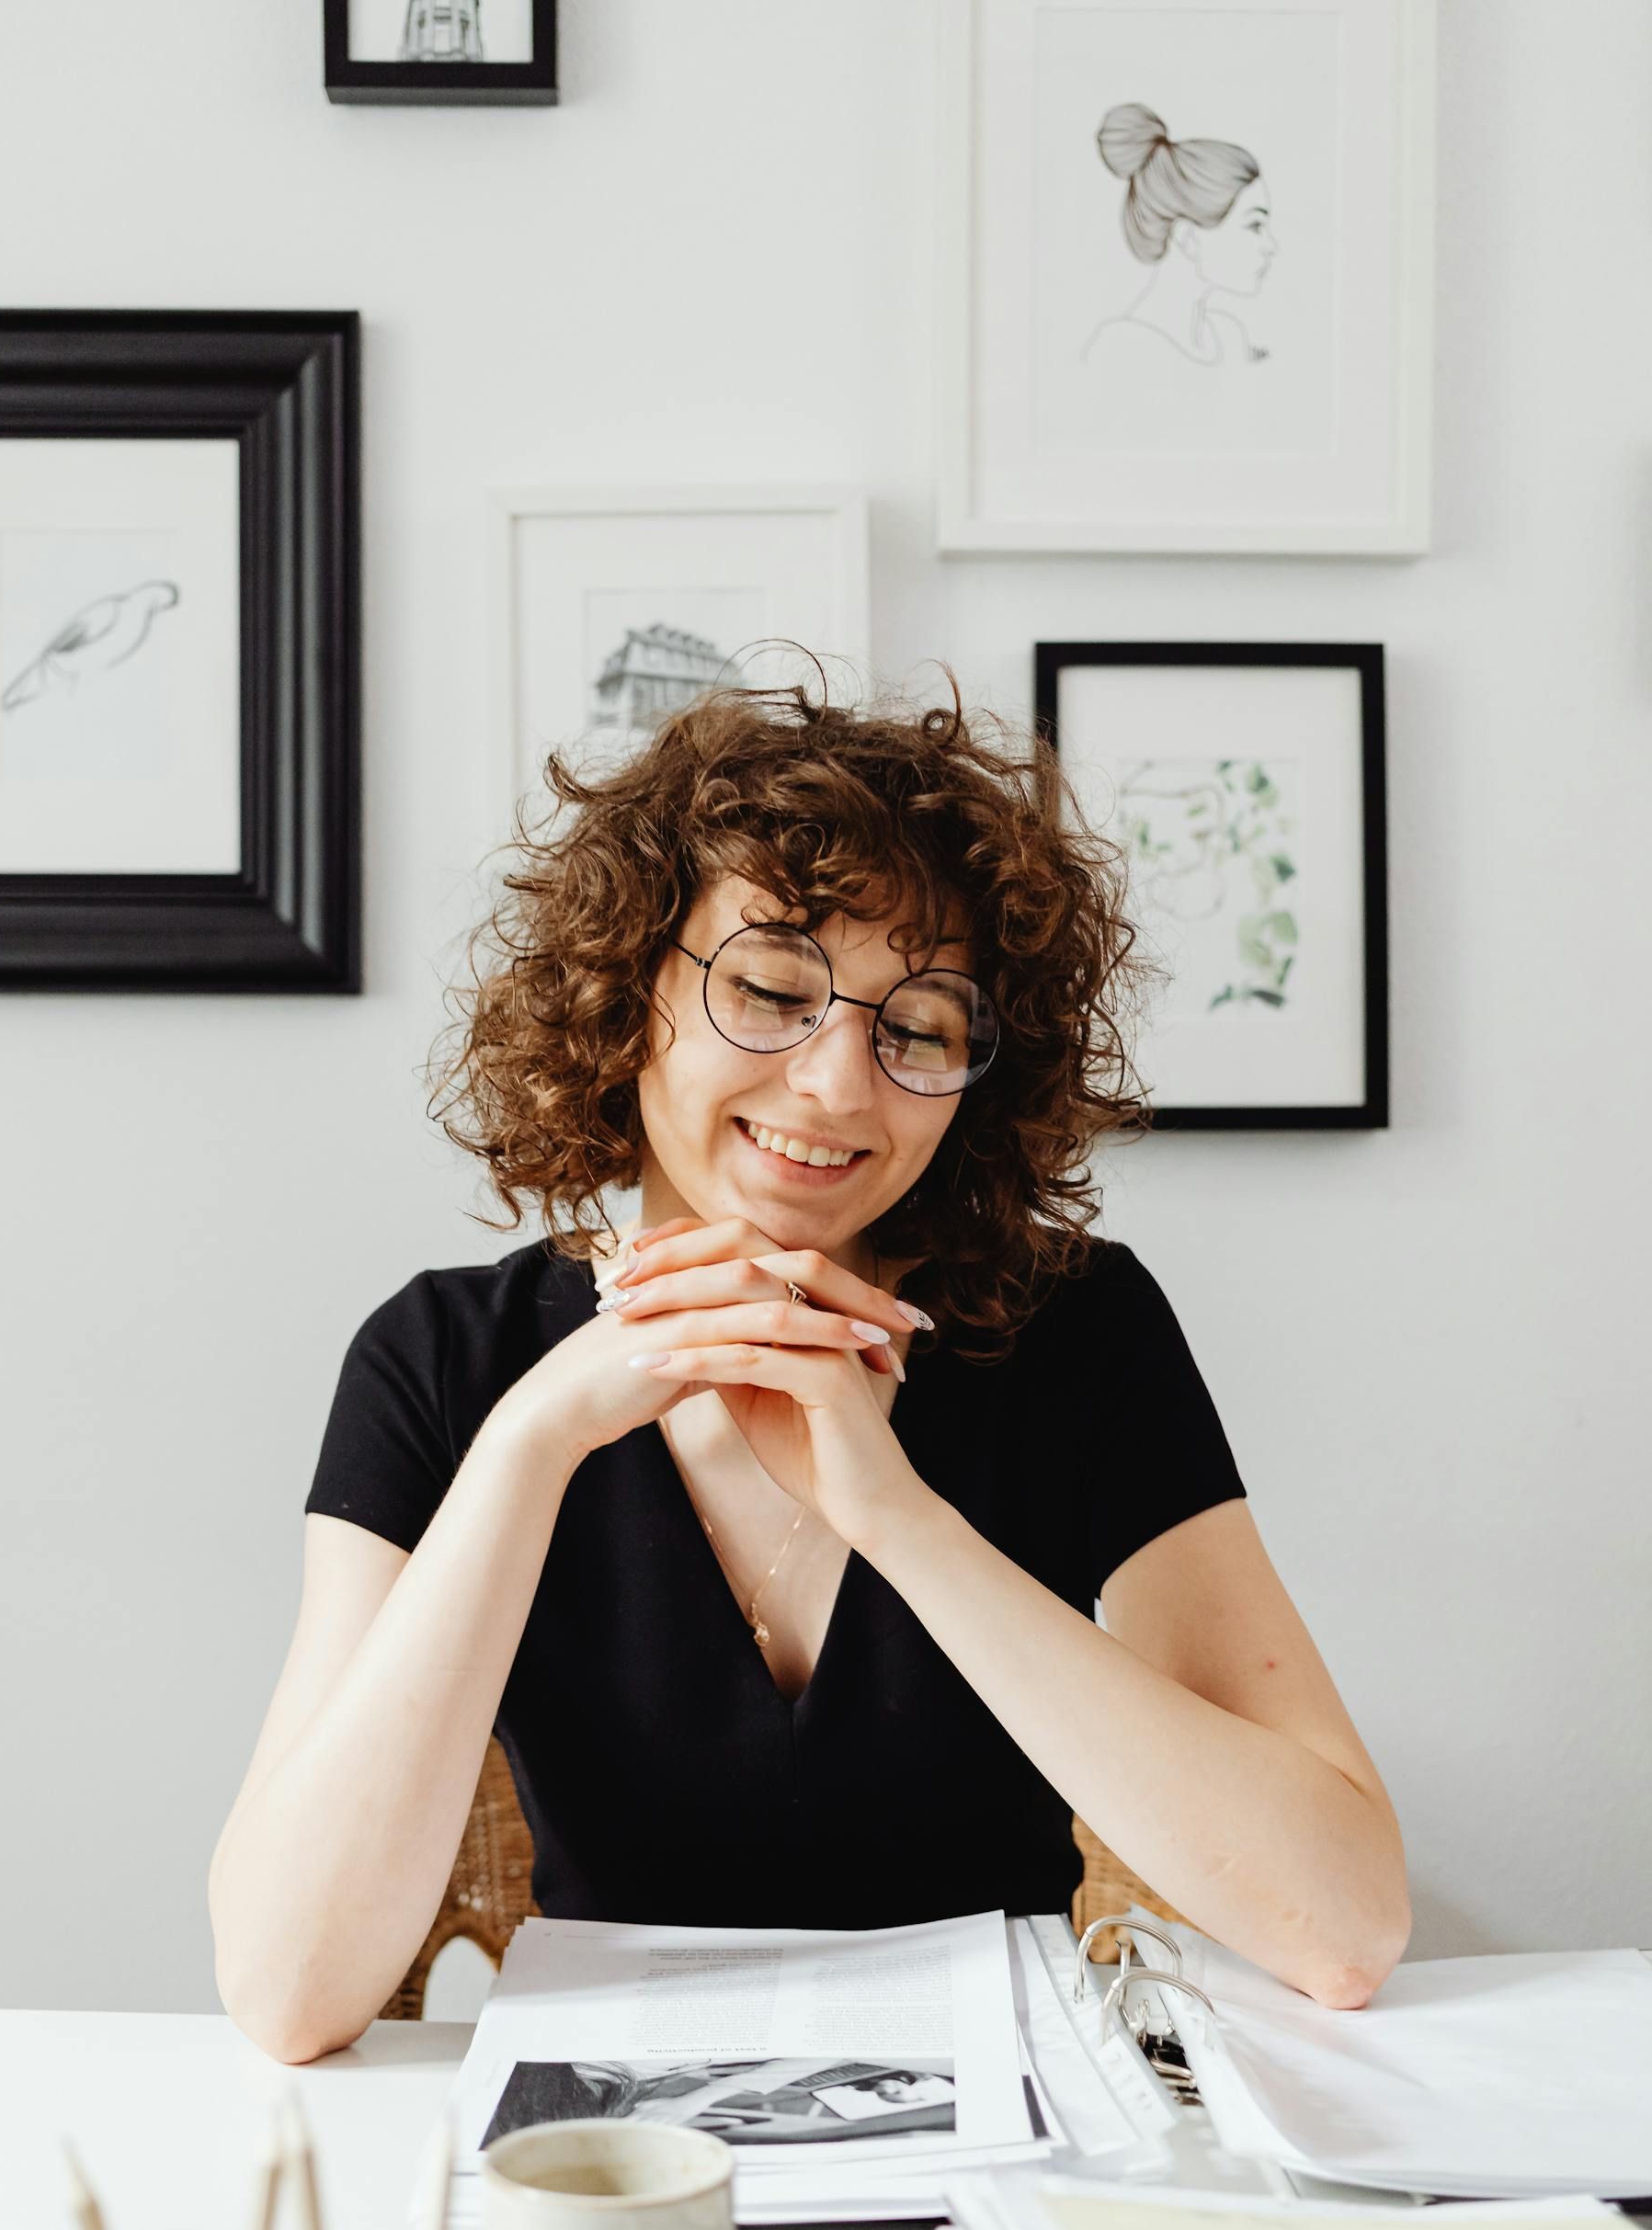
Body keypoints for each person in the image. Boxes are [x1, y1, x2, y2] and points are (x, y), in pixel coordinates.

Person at [209, 681, 1409, 2063]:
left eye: (922, 1025)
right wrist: (534, 1440)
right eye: (774, 990)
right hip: (612, 2159)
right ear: (627, 991)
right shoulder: (445, 1361)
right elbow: (288, 1993)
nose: (842, 1084)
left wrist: (898, 1518)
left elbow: (1347, 1924)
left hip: (1013, 2149)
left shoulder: (1080, 1330)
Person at [1082, 101, 1277, 370]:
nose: (1271, 246)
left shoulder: (1228, 336)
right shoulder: (1122, 353)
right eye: (1255, 225)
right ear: (1188, 238)